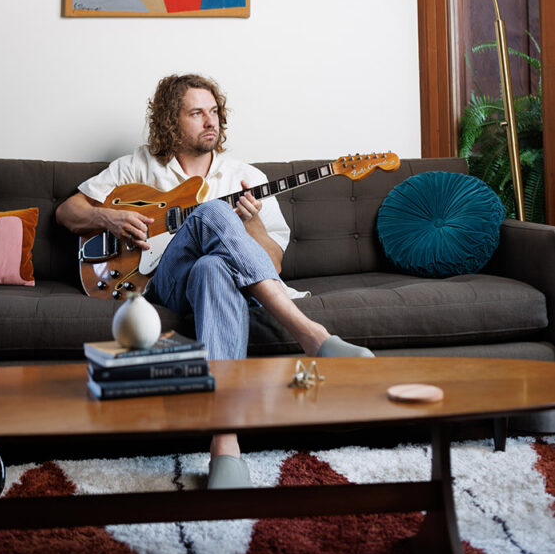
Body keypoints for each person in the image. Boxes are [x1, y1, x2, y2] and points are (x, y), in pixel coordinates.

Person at [56, 74, 374, 489]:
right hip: (163, 283)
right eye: (197, 113)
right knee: (213, 213)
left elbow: (272, 265)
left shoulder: (246, 176)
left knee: (213, 267)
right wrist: (108, 217)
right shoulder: (138, 165)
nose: (211, 121)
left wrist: (254, 223)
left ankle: (225, 447)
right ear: (172, 120)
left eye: (215, 112)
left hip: (225, 284)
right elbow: (67, 211)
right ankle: (313, 337)